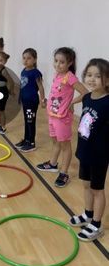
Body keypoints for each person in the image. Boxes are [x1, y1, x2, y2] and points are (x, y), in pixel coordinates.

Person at [69, 58, 109, 241]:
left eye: (98, 76)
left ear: (107, 80)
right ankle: (88, 214)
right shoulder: (86, 98)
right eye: (89, 75)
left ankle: (97, 225)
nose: (92, 79)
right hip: (84, 150)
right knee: (86, 185)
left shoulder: (107, 102)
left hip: (99, 155)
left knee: (97, 190)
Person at [36, 47, 88, 187]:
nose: (58, 65)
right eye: (56, 61)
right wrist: (46, 101)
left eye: (62, 62)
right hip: (52, 115)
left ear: (69, 63)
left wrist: (72, 102)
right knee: (55, 142)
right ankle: (53, 164)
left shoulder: (70, 77)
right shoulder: (57, 75)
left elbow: (85, 93)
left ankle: (64, 173)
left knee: (65, 146)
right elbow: (56, 94)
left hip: (62, 118)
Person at [15, 48, 46, 152]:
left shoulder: (36, 73)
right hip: (25, 101)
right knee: (26, 120)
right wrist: (19, 98)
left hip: (32, 102)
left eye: (29, 58)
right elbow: (22, 86)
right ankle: (26, 140)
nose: (25, 60)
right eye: (24, 58)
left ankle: (31, 143)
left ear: (35, 60)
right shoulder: (23, 71)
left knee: (30, 121)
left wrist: (42, 100)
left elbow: (41, 87)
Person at [0, 51, 14, 134]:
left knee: (1, 111)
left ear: (5, 62)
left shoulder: (3, 71)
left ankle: (3, 128)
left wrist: (10, 91)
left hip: (2, 93)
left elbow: (11, 81)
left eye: (1, 60)